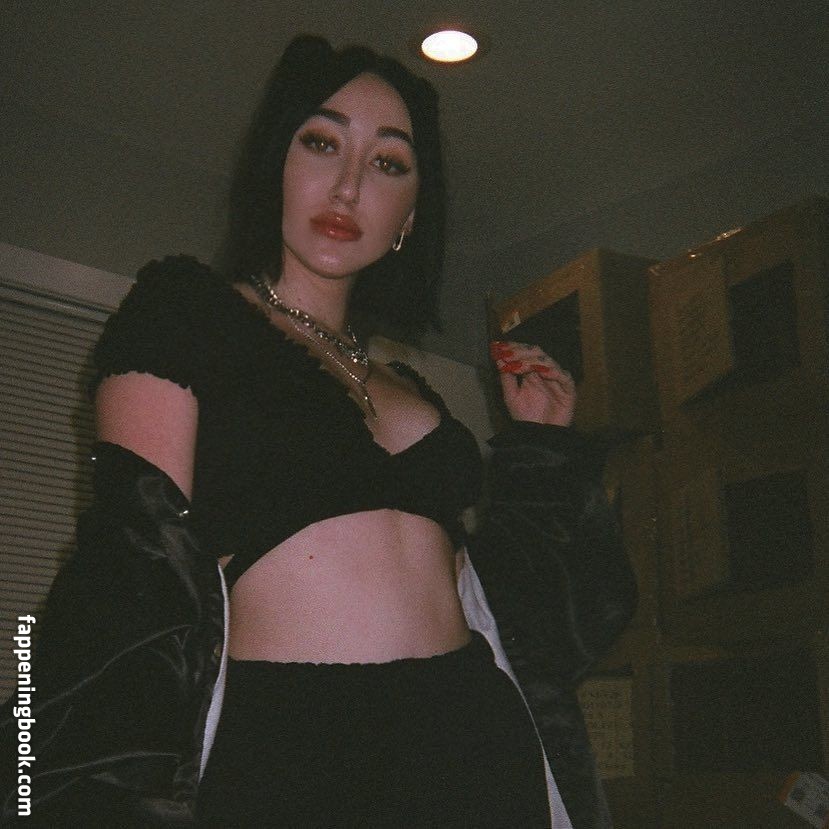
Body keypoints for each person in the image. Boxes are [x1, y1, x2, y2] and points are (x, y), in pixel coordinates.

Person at [0, 35, 636, 828]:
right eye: (321, 142)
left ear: (409, 216)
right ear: (276, 163)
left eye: (388, 163)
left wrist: (543, 447)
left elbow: (533, 624)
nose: (348, 184)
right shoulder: (186, 310)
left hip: (476, 737)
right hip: (298, 747)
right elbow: (132, 562)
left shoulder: (412, 388)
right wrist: (52, 774)